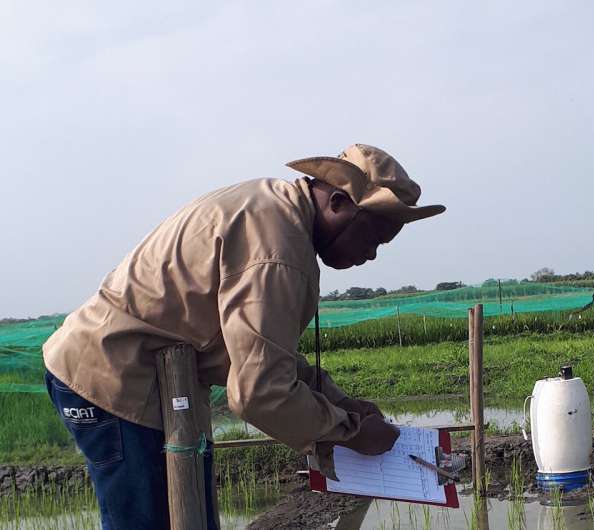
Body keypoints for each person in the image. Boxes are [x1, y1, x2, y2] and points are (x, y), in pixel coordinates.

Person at [42, 144, 445, 530]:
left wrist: (341, 404)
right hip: (113, 380)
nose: (372, 254)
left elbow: (262, 356)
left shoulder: (275, 213)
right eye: (374, 237)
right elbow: (260, 392)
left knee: (193, 518)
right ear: (338, 203)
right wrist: (351, 431)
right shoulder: (277, 246)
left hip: (154, 383)